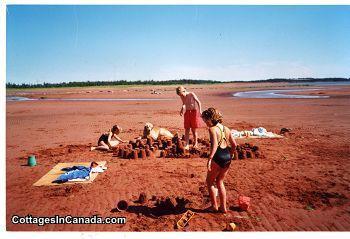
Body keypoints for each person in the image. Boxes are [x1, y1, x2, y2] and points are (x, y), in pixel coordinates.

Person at [201, 108, 237, 213]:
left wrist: (210, 158)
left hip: (217, 157)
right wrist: (231, 154)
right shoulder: (226, 128)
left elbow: (215, 145)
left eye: (205, 121)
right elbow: (234, 144)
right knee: (220, 181)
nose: (205, 123)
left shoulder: (212, 129)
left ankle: (214, 206)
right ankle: (223, 208)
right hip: (226, 157)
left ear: (210, 119)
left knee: (209, 182)